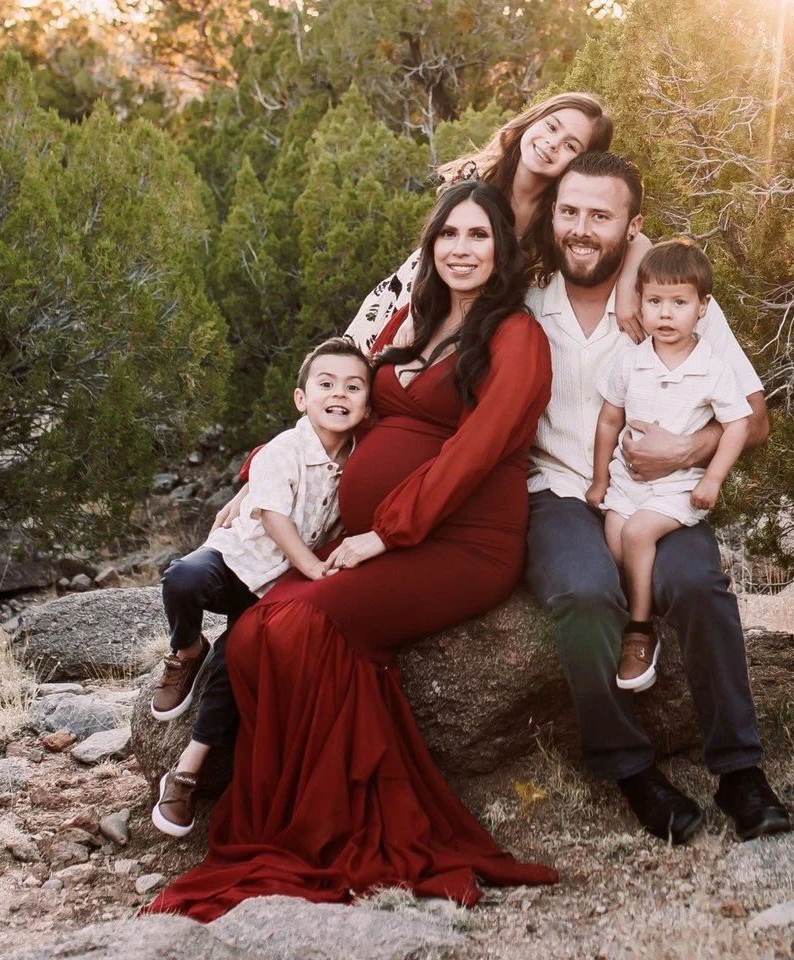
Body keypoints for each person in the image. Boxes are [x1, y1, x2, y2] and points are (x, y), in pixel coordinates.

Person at [147, 178, 557, 921]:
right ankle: (277, 817)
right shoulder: (413, 314)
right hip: (376, 534)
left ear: (503, 253)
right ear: (432, 246)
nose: (461, 249)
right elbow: (328, 398)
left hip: (462, 541)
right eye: (449, 235)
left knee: (303, 624)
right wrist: (257, 473)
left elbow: (477, 450)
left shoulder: (516, 335)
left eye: (479, 236)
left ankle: (328, 828)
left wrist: (382, 533)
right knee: (255, 628)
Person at [524, 151, 793, 844]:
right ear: (554, 216)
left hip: (659, 490)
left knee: (699, 588)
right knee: (584, 598)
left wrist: (686, 450)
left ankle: (740, 771)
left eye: (601, 216)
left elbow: (753, 419)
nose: (582, 229)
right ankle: (632, 771)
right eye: (570, 212)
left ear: (632, 225)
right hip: (559, 490)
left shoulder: (674, 298)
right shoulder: (525, 299)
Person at [147, 338, 371, 838]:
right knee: (182, 578)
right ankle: (186, 649)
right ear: (301, 398)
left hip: (272, 590)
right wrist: (311, 565)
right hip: (237, 559)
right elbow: (271, 516)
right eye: (326, 384)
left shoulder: (360, 458)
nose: (339, 395)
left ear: (367, 402)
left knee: (237, 662)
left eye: (353, 387)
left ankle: (186, 771)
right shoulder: (283, 450)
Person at [345, 92, 648, 355]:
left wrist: (626, 291)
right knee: (351, 382)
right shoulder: (477, 178)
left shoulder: (559, 216)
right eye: (551, 127)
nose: (552, 144)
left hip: (481, 325)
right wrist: (416, 313)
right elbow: (434, 249)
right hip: (419, 294)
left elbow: (635, 239)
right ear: (533, 120)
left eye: (571, 145)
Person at [585, 239, 751, 693]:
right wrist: (601, 479)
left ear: (703, 306)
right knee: (616, 539)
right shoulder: (630, 361)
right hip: (627, 482)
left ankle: (639, 631)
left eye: (679, 302)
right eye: (655, 301)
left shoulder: (712, 369)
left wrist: (713, 479)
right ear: (639, 301)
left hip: (679, 487)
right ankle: (640, 606)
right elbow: (608, 420)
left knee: (638, 533)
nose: (665, 313)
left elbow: (739, 425)